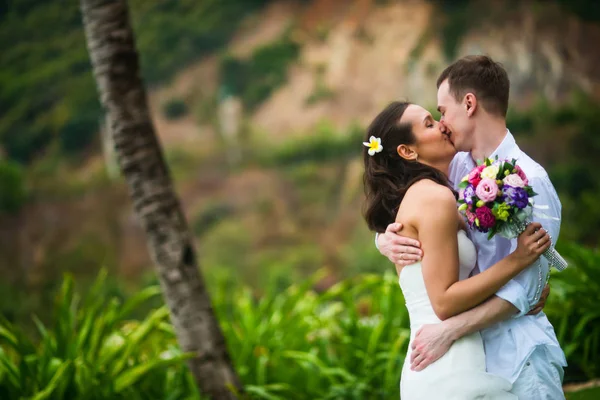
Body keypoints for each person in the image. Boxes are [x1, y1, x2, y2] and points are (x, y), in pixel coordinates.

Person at [375, 55, 567, 399]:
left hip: (517, 352)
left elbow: (528, 287)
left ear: (469, 103)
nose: (443, 124)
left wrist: (450, 330)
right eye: (433, 120)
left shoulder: (532, 180)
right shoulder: (455, 168)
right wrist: (384, 238)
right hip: (463, 355)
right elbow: (415, 209)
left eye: (442, 112)